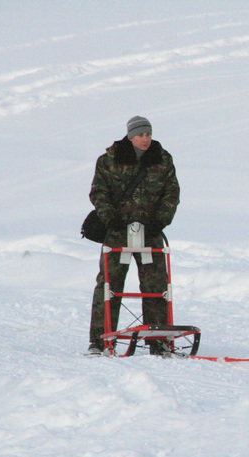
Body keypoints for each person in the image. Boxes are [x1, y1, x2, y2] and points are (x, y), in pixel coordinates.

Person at [87, 116, 180, 355]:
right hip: (117, 233)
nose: (145, 139)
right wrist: (110, 218)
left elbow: (172, 193)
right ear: (130, 136)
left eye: (148, 134)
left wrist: (160, 220)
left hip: (150, 233)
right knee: (109, 286)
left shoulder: (162, 159)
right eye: (140, 135)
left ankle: (157, 340)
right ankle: (100, 341)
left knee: (156, 287)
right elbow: (98, 191)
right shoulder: (109, 159)